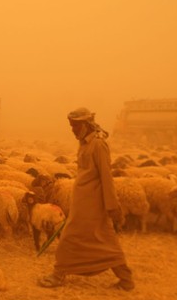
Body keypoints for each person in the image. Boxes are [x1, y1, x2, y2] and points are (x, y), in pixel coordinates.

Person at [37, 107, 134, 290]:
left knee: (70, 238)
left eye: (75, 126)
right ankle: (126, 279)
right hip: (82, 203)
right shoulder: (84, 143)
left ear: (85, 124)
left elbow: (106, 177)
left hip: (93, 204)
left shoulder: (98, 145)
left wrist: (112, 206)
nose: (72, 130)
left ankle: (58, 275)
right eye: (71, 126)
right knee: (104, 240)